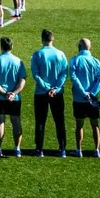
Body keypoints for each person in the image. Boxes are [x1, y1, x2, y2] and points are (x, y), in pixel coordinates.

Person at [31, 28, 68, 158]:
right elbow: (64, 73)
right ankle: (62, 149)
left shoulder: (37, 54)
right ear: (53, 39)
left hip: (41, 93)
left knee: (40, 121)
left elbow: (36, 75)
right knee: (59, 121)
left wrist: (47, 88)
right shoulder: (61, 54)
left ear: (42, 39)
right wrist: (56, 88)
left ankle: (39, 149)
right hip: (57, 93)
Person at [0, 35, 27, 158]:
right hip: (14, 98)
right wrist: (13, 93)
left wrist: (4, 93)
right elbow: (22, 80)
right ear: (12, 46)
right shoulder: (18, 61)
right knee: (16, 121)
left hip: (0, 97)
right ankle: (17, 149)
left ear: (1, 46)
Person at [69, 38, 100, 158]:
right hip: (92, 100)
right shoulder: (96, 61)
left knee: (79, 125)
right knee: (95, 124)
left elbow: (74, 78)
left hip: (79, 98)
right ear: (90, 47)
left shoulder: (75, 60)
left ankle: (79, 150)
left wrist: (84, 92)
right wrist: (92, 93)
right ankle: (97, 150)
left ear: (79, 47)